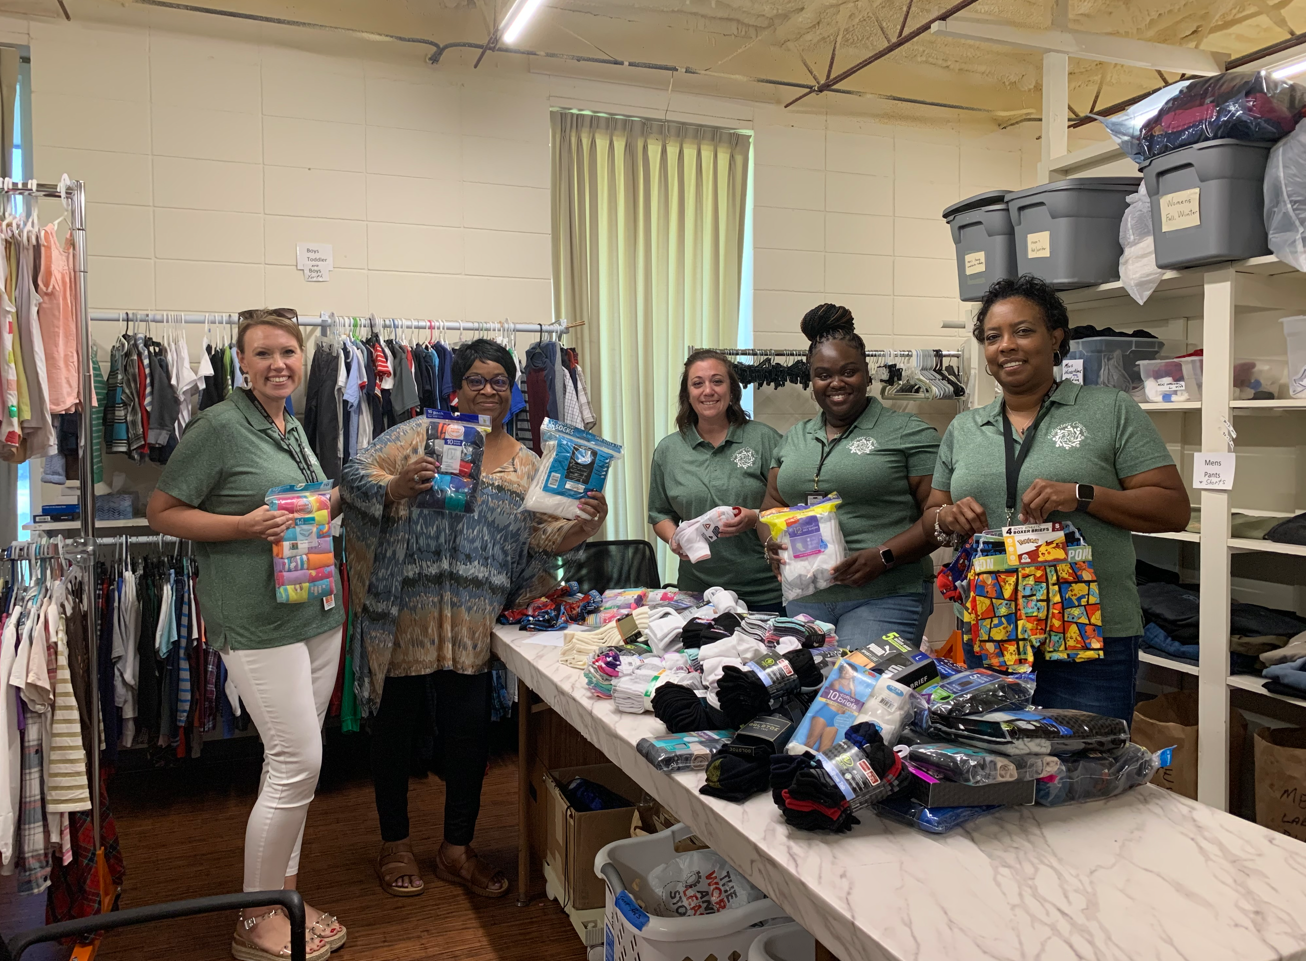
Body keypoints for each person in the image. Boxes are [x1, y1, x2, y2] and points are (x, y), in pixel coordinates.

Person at [342, 338, 608, 900]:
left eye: (499, 382)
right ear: (454, 388)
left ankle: (456, 850)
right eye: (476, 381)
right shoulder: (417, 438)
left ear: (512, 393)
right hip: (405, 615)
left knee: (469, 740)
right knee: (395, 733)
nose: (488, 390)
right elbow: (353, 476)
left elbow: (542, 539)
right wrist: (395, 486)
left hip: (472, 623)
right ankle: (394, 845)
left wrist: (583, 525)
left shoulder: (530, 464)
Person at [147, 308, 346, 961]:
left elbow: (306, 506)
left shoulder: (287, 425)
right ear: (242, 361)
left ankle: (284, 895)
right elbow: (162, 511)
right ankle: (254, 916)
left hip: (313, 610)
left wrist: (379, 484)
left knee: (290, 765)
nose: (278, 363)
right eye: (263, 353)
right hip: (257, 621)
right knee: (298, 763)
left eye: (287, 351)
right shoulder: (221, 426)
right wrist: (240, 527)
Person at [922, 275, 1190, 723]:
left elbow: (1173, 509)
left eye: (1023, 331)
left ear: (1056, 338)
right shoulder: (965, 429)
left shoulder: (1109, 410)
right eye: (993, 336)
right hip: (994, 628)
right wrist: (947, 517)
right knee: (999, 768)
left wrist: (1083, 495)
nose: (1007, 345)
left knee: (1088, 771)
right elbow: (931, 511)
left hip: (1090, 633)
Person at [760, 304, 941, 649]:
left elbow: (938, 518)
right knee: (800, 696)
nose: (836, 383)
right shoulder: (793, 438)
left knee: (856, 697)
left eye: (849, 371)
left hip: (884, 595)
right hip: (805, 601)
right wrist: (769, 543)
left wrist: (884, 556)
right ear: (811, 381)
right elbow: (772, 505)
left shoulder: (907, 432)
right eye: (823, 375)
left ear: (867, 375)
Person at [648, 350, 784, 612]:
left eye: (717, 381)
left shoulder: (765, 439)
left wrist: (755, 517)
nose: (708, 390)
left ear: (732, 390)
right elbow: (659, 513)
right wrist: (674, 538)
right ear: (687, 394)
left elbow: (790, 506)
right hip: (698, 593)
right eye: (697, 383)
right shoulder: (668, 450)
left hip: (765, 591)